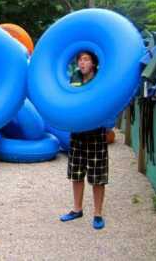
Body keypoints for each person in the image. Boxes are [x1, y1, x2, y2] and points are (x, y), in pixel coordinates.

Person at [60, 51, 108, 230]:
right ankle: (77, 209)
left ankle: (98, 213)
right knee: (76, 173)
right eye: (80, 59)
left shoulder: (101, 79)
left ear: (93, 63)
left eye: (86, 59)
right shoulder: (74, 78)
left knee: (97, 175)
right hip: (78, 132)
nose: (82, 63)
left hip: (96, 132)